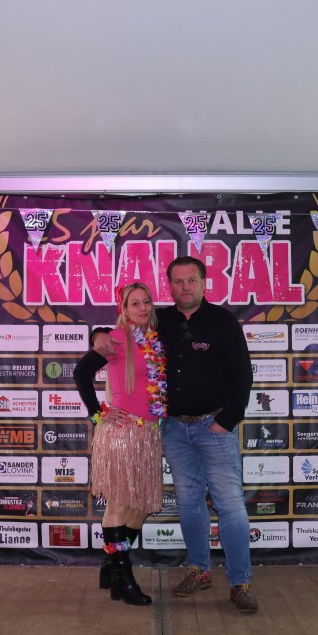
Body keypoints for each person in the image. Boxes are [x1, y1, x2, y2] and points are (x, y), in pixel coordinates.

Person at [93, 257, 257, 613]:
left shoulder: (223, 321)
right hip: (174, 430)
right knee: (189, 502)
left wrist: (227, 420)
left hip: (215, 427)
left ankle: (240, 582)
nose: (185, 287)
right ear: (170, 286)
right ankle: (198, 571)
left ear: (203, 282)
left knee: (230, 504)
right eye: (178, 282)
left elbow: (243, 374)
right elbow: (123, 327)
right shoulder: (160, 320)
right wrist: (98, 335)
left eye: (191, 280)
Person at [74, 282, 166, 606]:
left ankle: (110, 566)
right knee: (119, 505)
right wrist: (97, 413)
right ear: (124, 310)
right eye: (134, 303)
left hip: (149, 435)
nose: (142, 307)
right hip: (122, 435)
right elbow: (81, 373)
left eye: (146, 302)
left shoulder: (155, 341)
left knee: (141, 507)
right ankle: (124, 579)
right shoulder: (116, 338)